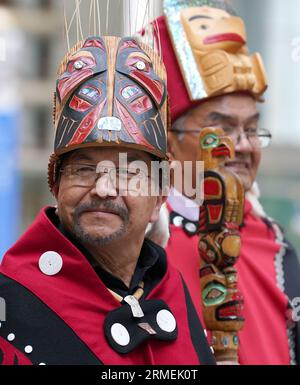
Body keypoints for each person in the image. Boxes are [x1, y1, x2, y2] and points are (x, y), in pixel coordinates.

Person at [0, 35, 215, 365]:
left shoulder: (169, 288)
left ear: (160, 195)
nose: (103, 188)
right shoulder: (12, 298)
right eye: (84, 169)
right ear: (55, 184)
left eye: (128, 172)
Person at [153, 0, 300, 365]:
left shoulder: (276, 245)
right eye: (223, 128)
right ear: (168, 140)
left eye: (251, 129)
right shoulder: (137, 245)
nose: (244, 145)